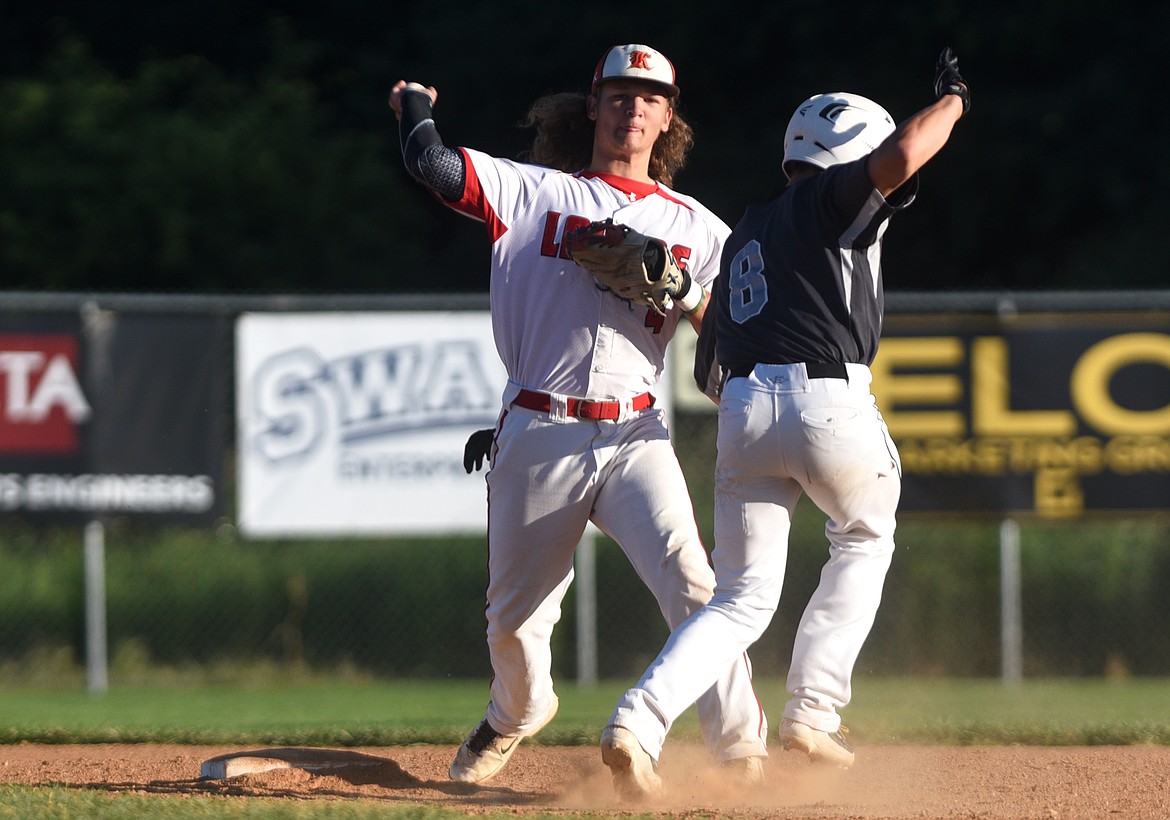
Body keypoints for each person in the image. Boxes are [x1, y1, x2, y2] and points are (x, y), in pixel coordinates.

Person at [389, 43, 768, 791]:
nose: (633, 107)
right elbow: (432, 166)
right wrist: (413, 104)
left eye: (649, 97)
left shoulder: (702, 229)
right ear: (592, 106)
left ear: (669, 118)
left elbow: (733, 344)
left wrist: (687, 293)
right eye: (619, 94)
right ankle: (515, 713)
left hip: (635, 432)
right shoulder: (531, 192)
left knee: (695, 585)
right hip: (540, 428)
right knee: (512, 624)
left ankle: (742, 753)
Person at [599, 48, 970, 798]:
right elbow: (902, 154)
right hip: (829, 400)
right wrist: (957, 100)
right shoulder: (835, 200)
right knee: (864, 534)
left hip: (742, 408)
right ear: (844, 157)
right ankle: (813, 710)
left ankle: (638, 722)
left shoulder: (748, 231)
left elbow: (712, 363)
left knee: (739, 599)